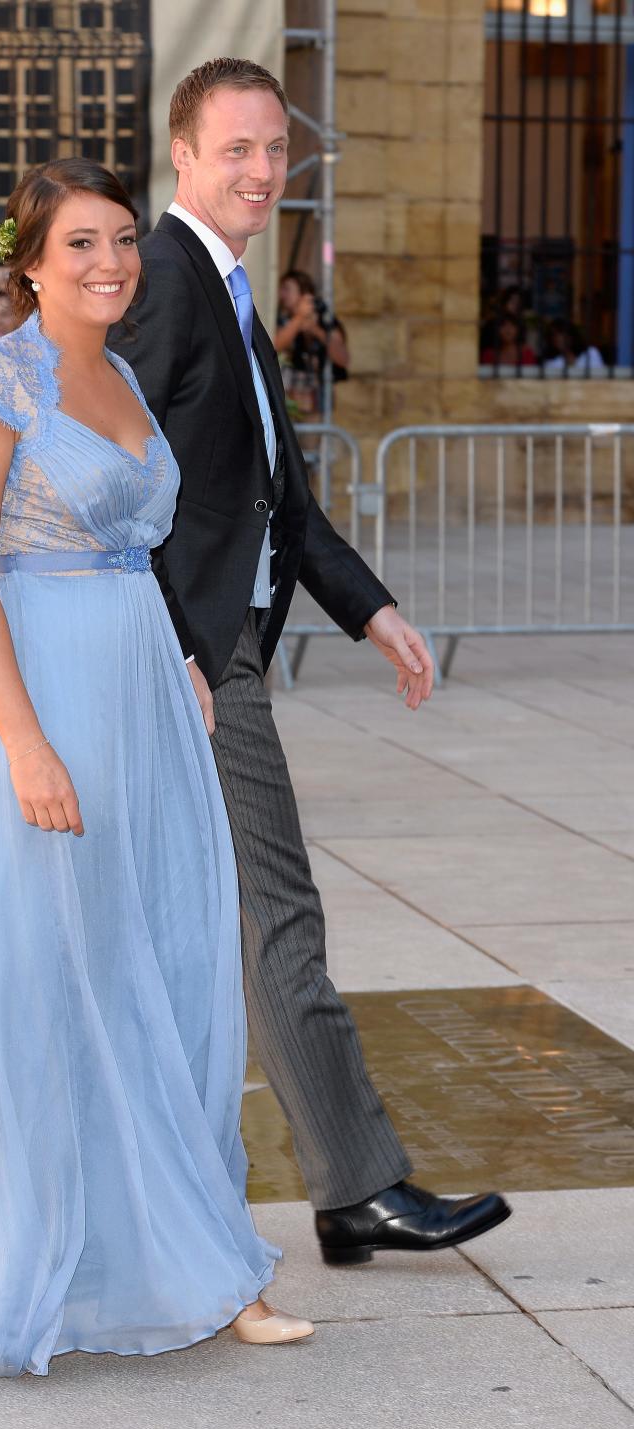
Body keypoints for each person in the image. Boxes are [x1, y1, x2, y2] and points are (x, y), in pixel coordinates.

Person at [0, 157, 313, 1403]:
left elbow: (148, 548)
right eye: (82, 242)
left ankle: (200, 1263)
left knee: (174, 965)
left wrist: (182, 668)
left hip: (143, 696)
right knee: (46, 976)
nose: (110, 262)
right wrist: (25, 741)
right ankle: (10, 1264)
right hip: (45, 705)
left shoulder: (124, 373)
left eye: (124, 240)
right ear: (30, 261)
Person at [108, 57, 511, 1264]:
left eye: (276, 151)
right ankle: (358, 1181)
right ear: (182, 155)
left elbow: (277, 494)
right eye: (236, 149)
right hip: (194, 661)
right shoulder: (168, 284)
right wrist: (178, 647)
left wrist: (371, 608)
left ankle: (330, 1186)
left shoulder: (227, 290)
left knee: (208, 920)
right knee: (276, 913)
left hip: (212, 647)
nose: (261, 171)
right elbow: (115, 485)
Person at [274, 268, 349, 417]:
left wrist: (316, 330)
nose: (282, 295)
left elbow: (343, 359)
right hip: (287, 404)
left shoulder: (325, 321)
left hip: (315, 407)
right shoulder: (281, 321)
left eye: (287, 289)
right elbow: (274, 346)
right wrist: (298, 319)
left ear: (304, 293)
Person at [542, 319, 607, 377]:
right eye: (553, 335)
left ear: (571, 336)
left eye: (561, 334)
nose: (557, 338)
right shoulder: (550, 361)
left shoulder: (590, 353)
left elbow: (600, 378)